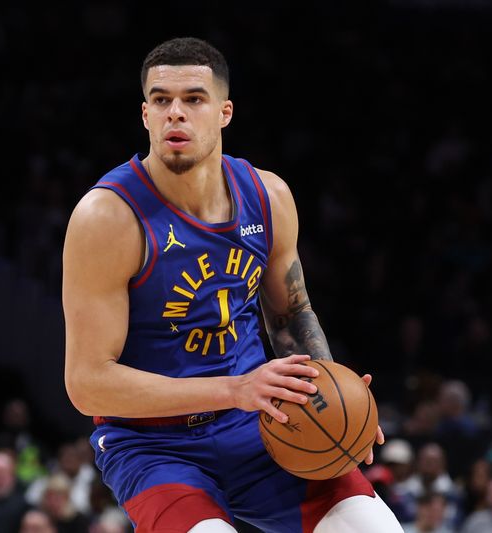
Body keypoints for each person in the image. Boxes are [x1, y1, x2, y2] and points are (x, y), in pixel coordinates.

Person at [62, 37, 402, 533]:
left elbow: (292, 316)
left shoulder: (268, 195)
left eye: (193, 99)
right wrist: (236, 389)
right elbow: (88, 385)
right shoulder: (107, 218)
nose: (175, 113)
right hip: (155, 446)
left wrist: (331, 397)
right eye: (161, 100)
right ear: (145, 115)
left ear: (224, 112)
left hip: (261, 424)